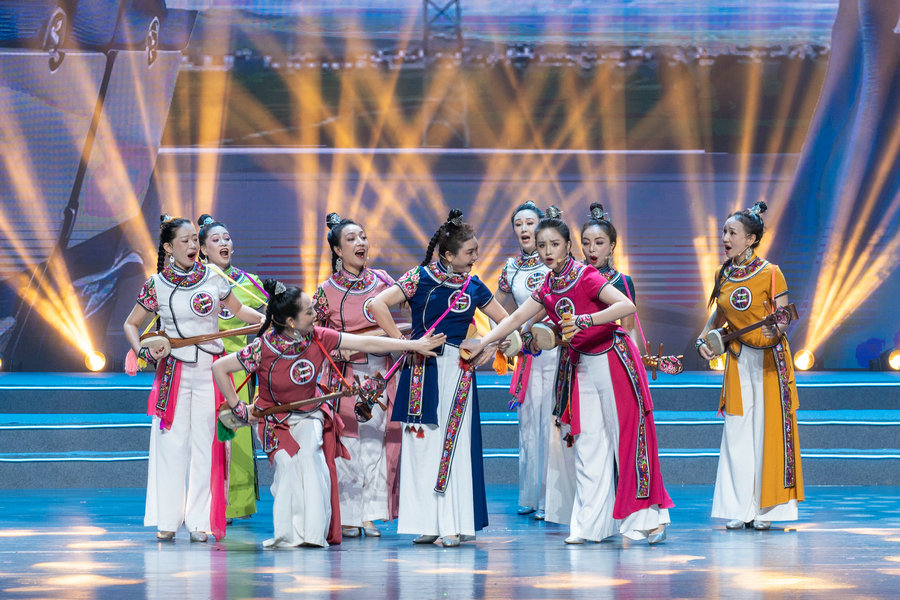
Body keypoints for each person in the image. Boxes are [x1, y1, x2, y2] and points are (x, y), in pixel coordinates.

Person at [461, 207, 672, 544]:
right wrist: (484, 342)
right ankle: (591, 526)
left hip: (614, 362)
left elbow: (625, 307)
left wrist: (588, 320)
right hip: (582, 366)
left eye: (554, 244)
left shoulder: (585, 275)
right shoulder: (549, 285)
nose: (547, 251)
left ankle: (650, 519)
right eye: (542, 245)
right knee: (587, 444)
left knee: (627, 439)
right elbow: (515, 319)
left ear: (567, 246)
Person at [212, 281, 446, 548]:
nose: (315, 315)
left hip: (309, 414)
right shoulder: (262, 348)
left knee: (312, 460)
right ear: (291, 322)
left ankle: (313, 536)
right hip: (275, 420)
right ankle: (288, 536)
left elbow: (365, 341)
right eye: (309, 312)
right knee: (287, 468)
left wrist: (412, 345)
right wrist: (239, 408)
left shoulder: (318, 337)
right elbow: (220, 368)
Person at [368, 209, 511, 548]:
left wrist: (487, 344)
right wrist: (404, 344)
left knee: (453, 445)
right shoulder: (419, 278)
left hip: (458, 372)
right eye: (470, 252)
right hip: (421, 369)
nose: (475, 258)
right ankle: (427, 523)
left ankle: (452, 524)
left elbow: (506, 320)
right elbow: (377, 305)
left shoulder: (474, 286)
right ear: (448, 255)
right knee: (421, 446)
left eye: (476, 251)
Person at [123, 215, 264, 542]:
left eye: (194, 240)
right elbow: (131, 324)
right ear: (168, 247)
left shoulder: (214, 277)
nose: (192, 246)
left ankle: (200, 520)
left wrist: (267, 321)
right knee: (171, 446)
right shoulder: (156, 284)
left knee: (207, 446)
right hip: (173, 373)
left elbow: (241, 312)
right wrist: (143, 349)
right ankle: (168, 519)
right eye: (184, 241)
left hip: (210, 372)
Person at [696, 201, 803, 530]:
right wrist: (703, 340)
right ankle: (739, 507)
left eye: (732, 233)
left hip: (770, 362)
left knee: (768, 433)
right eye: (724, 232)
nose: (725, 238)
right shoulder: (723, 273)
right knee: (738, 432)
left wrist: (778, 329)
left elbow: (783, 316)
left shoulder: (771, 273)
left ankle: (767, 510)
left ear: (751, 239)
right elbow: (718, 315)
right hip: (739, 360)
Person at [313, 212, 401, 538]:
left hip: (380, 372)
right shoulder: (326, 291)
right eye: (351, 239)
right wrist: (338, 352)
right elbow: (314, 336)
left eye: (362, 237)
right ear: (337, 250)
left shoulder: (383, 281)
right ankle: (349, 515)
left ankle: (371, 515)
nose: (360, 243)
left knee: (376, 444)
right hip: (347, 377)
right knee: (349, 444)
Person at [198, 213, 265, 523]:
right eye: (216, 240)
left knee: (237, 435)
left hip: (238, 367)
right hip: (203, 363)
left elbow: (265, 314)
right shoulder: (195, 282)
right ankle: (206, 500)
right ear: (202, 249)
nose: (223, 243)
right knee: (206, 433)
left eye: (227, 238)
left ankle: (236, 504)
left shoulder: (249, 283)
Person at [494, 201, 559, 520]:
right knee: (528, 424)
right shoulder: (511, 268)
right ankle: (530, 496)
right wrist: (506, 334)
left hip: (555, 351)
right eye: (518, 224)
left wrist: (531, 327)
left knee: (551, 422)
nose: (524, 229)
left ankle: (551, 499)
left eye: (530, 223)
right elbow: (496, 306)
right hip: (527, 355)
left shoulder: (556, 262)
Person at [580, 203, 642, 351]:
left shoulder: (622, 282)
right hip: (574, 350)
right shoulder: (572, 276)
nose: (591, 249)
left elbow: (628, 329)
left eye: (599, 243)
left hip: (608, 351)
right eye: (586, 243)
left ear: (612, 246)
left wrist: (633, 355)